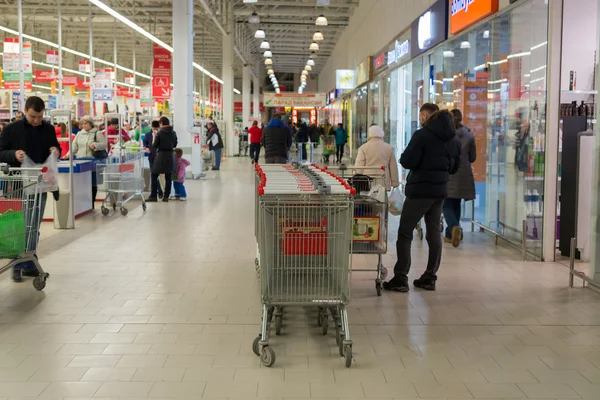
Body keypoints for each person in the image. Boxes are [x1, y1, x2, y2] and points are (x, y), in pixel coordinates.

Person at [383, 104, 461, 293]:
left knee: (405, 233)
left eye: (420, 116)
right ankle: (430, 277)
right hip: (439, 192)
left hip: (419, 192)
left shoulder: (422, 135)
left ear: (426, 116)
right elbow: (454, 168)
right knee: (434, 234)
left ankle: (401, 278)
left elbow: (407, 161)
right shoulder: (453, 139)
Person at [0, 96, 60, 282]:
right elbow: (0, 151)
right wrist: (13, 154)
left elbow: (56, 147)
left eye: (39, 117)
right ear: (25, 110)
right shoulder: (11, 129)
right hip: (18, 185)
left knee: (33, 225)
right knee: (21, 225)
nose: (36, 120)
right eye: (33, 116)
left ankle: (28, 261)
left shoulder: (48, 129)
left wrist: (55, 151)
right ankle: (21, 263)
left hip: (40, 184)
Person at [444, 109, 476, 248]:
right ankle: (450, 234)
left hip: (448, 173)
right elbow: (473, 158)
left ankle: (454, 226)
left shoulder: (445, 135)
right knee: (456, 204)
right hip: (463, 174)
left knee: (446, 204)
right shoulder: (469, 135)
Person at [64, 115, 107, 208]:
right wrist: (68, 154)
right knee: (82, 183)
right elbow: (74, 146)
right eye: (82, 124)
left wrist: (95, 145)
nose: (84, 125)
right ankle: (83, 204)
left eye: (86, 123)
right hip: (81, 161)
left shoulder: (97, 133)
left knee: (92, 183)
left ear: (91, 124)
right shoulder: (79, 134)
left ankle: (91, 203)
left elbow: (104, 145)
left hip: (93, 162)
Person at [355, 125, 399, 190]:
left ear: (369, 135)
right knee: (382, 198)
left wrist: (357, 176)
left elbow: (359, 167)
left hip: (368, 181)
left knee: (369, 198)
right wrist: (394, 183)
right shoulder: (388, 147)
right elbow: (393, 167)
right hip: (383, 179)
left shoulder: (363, 148)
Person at [147, 117, 177, 203]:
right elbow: (175, 144)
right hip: (170, 156)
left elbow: (154, 145)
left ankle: (153, 196)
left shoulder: (159, 133)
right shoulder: (173, 133)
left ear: (161, 124)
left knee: (154, 174)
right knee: (168, 176)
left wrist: (153, 137)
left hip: (161, 156)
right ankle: (166, 196)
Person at [144, 121, 163, 199]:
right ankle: (159, 190)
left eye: (156, 128)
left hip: (160, 157)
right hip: (151, 157)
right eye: (154, 128)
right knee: (153, 175)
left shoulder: (161, 135)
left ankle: (160, 191)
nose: (155, 130)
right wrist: (146, 148)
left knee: (158, 175)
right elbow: (145, 142)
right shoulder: (148, 135)